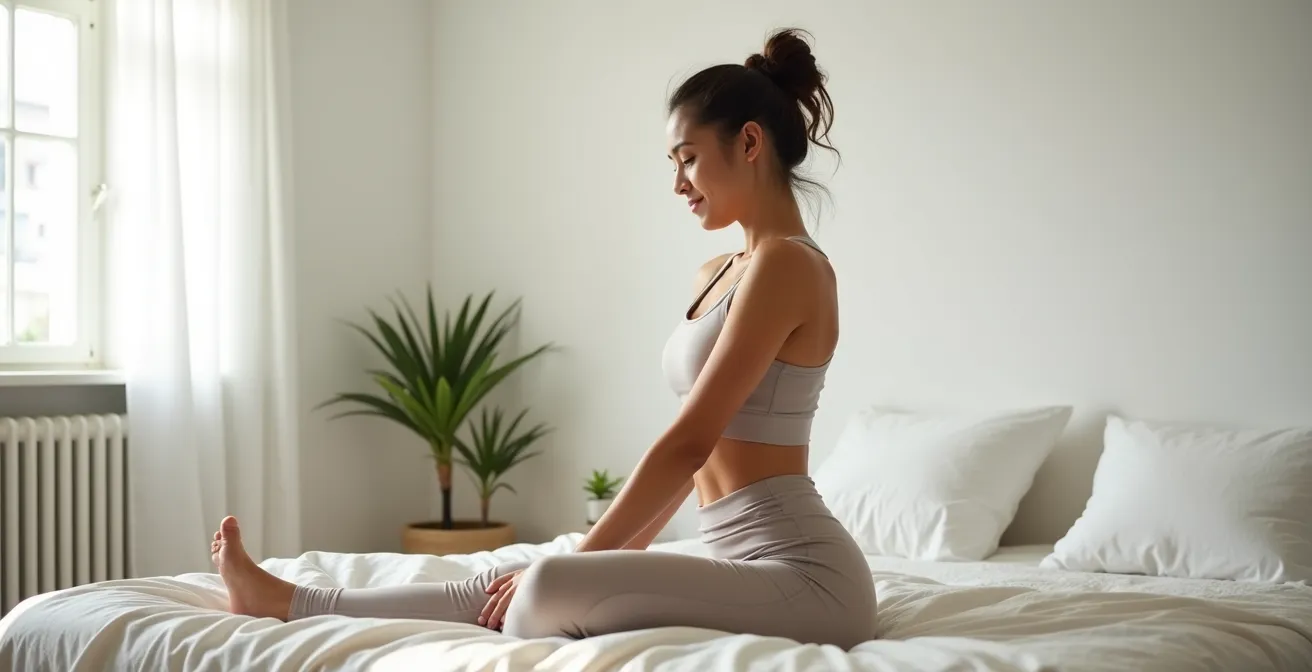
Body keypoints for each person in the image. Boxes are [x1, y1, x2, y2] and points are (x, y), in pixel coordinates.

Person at [211, 27, 876, 649]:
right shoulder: (721, 272)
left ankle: (301, 601)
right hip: (742, 556)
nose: (678, 184)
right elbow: (694, 461)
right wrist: (603, 559)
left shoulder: (791, 265)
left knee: (552, 581)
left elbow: (690, 443)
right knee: (525, 571)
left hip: (807, 578)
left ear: (751, 144)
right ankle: (290, 600)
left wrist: (585, 563)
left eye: (689, 159)